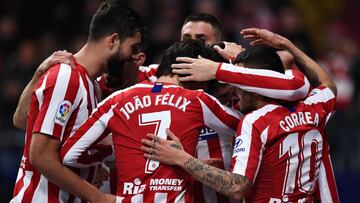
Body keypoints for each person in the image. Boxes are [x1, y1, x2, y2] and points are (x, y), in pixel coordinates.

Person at [141, 28, 339, 202]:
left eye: (241, 83)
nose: (234, 92)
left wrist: (181, 158)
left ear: (254, 85)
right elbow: (327, 84)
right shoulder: (313, 108)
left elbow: (237, 187)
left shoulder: (254, 122)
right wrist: (288, 46)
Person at [59, 39, 241, 202]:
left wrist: (111, 152)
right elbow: (247, 124)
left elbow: (69, 154)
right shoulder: (197, 100)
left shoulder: (117, 100)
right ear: (191, 71)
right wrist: (236, 66)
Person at [11, 1, 146, 202]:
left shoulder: (92, 86)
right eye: (132, 48)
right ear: (113, 41)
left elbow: (25, 121)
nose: (136, 57)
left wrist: (87, 173)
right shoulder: (67, 78)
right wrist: (98, 197)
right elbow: (40, 155)